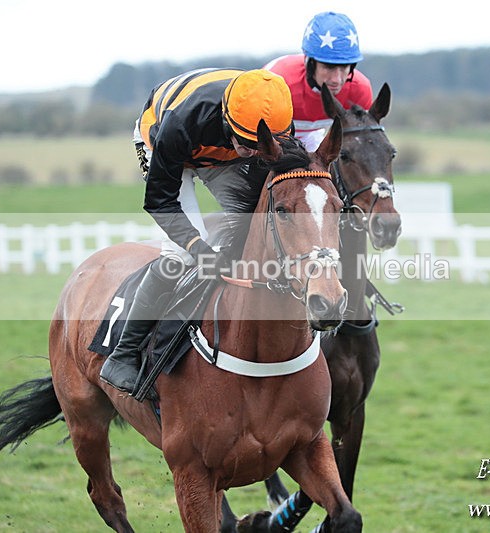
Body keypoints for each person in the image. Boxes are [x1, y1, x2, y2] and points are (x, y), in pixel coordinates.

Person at [100, 68, 294, 394]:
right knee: (181, 256)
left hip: (218, 146)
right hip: (164, 140)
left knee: (253, 225)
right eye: (247, 145)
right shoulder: (180, 124)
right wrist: (198, 247)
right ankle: (123, 355)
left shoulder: (277, 122)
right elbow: (160, 201)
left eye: (260, 146)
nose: (253, 154)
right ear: (228, 121)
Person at [265, 11, 373, 151]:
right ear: (309, 63)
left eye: (344, 67)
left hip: (312, 137)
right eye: (328, 67)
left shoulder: (360, 90)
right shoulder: (278, 83)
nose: (336, 79)